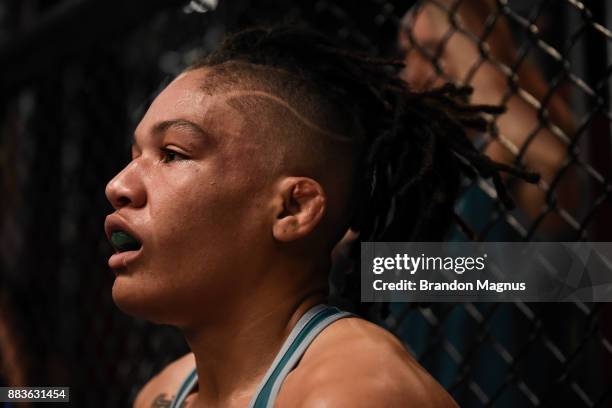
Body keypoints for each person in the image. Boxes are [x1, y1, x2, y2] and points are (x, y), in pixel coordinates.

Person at [104, 25, 535, 407]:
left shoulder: (357, 392)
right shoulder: (161, 392)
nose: (118, 185)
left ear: (293, 207)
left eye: (172, 154)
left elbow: (586, 271)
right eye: (136, 155)